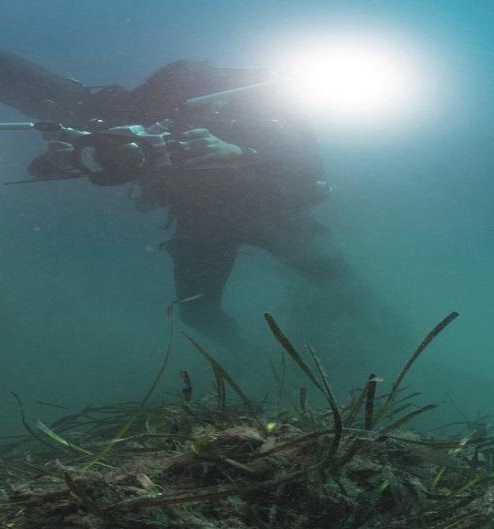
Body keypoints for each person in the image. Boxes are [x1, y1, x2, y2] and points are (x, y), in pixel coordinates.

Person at [29, 59, 344, 349]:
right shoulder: (134, 122)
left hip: (265, 208)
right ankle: (252, 365)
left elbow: (308, 174)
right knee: (196, 312)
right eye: (160, 120)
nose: (169, 128)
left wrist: (235, 151)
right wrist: (71, 156)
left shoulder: (256, 118)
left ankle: (366, 339)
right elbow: (49, 167)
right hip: (200, 219)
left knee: (338, 281)